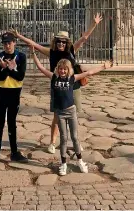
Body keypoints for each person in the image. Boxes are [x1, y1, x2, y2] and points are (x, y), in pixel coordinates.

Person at [9, 13, 102, 154]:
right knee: (57, 117)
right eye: (58, 41)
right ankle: (52, 142)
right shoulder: (51, 52)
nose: (61, 44)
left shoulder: (72, 50)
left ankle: (74, 142)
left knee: (73, 115)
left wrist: (94, 24)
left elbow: (84, 38)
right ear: (55, 41)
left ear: (67, 43)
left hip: (73, 86)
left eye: (63, 42)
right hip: (57, 87)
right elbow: (33, 44)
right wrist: (18, 36)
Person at [30, 47, 110, 176]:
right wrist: (33, 53)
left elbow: (88, 73)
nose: (62, 71)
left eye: (65, 69)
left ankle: (80, 160)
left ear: (68, 70)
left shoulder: (72, 78)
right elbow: (40, 67)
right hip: (60, 113)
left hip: (71, 111)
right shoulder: (54, 77)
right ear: (57, 69)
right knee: (63, 138)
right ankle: (63, 164)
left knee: (74, 137)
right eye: (60, 68)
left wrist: (103, 67)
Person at [0, 31, 28, 165]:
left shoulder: (21, 57)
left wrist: (10, 70)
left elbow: (20, 76)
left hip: (14, 92)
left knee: (12, 123)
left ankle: (14, 152)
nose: (7, 45)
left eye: (10, 42)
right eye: (5, 43)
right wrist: (8, 68)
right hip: (0, 92)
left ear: (14, 43)